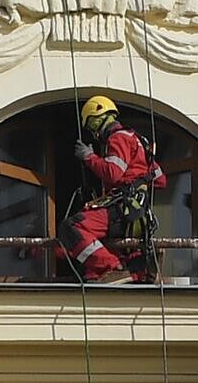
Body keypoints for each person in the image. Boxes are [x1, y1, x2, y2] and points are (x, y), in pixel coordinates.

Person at [59, 95, 168, 283]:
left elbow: (112, 173)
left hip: (121, 208)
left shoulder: (117, 138)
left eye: (92, 127)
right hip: (138, 212)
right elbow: (160, 180)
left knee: (71, 227)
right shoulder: (140, 142)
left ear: (97, 120)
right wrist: (138, 178)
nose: (94, 134)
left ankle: (111, 267)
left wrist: (88, 156)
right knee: (110, 251)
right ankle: (134, 272)